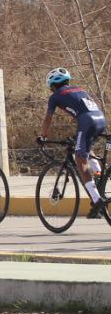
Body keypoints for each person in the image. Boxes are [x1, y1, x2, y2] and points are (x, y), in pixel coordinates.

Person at [37, 68, 108, 218]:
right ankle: (98, 173)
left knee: (79, 159)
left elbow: (48, 119)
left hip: (87, 121)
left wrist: (43, 136)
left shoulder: (55, 96)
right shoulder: (79, 89)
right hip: (101, 119)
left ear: (52, 85)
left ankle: (97, 200)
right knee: (85, 149)